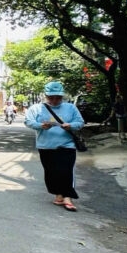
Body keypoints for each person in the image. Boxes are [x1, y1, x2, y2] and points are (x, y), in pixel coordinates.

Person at [24, 81, 85, 212]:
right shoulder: (36, 108)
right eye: (51, 97)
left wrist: (70, 125)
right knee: (51, 172)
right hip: (46, 146)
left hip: (67, 145)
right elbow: (28, 121)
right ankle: (59, 194)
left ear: (62, 96)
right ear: (46, 96)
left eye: (58, 97)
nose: (55, 100)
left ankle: (68, 198)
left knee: (66, 171)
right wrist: (40, 126)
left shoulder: (70, 108)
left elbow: (80, 122)